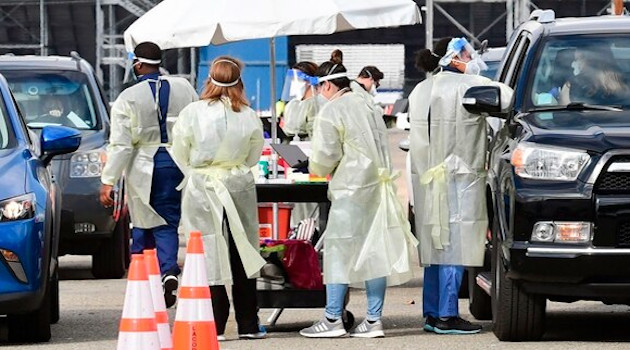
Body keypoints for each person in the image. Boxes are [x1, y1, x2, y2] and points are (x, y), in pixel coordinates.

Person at [299, 59, 418, 339]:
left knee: (339, 253)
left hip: (350, 190)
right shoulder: (368, 104)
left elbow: (325, 158)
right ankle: (373, 320)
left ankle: (332, 318)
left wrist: (313, 167)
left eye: (320, 87)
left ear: (327, 85)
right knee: (374, 252)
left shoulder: (332, 111)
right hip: (377, 188)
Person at [408, 37, 512, 334]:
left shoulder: (420, 90)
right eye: (468, 53)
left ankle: (431, 312)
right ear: (454, 58)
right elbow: (508, 99)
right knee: (455, 244)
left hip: (427, 180)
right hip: (460, 178)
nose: (473, 57)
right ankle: (447, 314)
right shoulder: (471, 85)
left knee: (434, 246)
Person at [171, 56, 267, 340]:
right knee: (245, 250)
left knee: (206, 252)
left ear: (208, 80)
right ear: (240, 82)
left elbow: (179, 150)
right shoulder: (248, 114)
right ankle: (249, 322)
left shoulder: (192, 112)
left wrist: (196, 170)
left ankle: (215, 323)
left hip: (202, 184)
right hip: (238, 182)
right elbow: (253, 155)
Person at [99, 41, 199, 308]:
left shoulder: (128, 98)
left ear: (137, 64)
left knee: (143, 221)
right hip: (177, 162)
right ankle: (167, 271)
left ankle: (142, 277)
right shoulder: (184, 88)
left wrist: (108, 179)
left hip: (144, 165)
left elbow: (120, 144)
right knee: (168, 221)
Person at [558, 44, 629, 105]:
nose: (576, 64)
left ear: (593, 61)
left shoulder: (571, 86)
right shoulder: (572, 84)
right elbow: (563, 115)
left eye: (579, 59)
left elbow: (564, 113)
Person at [282, 61, 320, 140]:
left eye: (297, 79)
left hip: (307, 147)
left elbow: (315, 133)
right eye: (292, 79)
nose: (293, 83)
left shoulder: (314, 105)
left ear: (310, 81)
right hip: (290, 146)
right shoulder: (292, 104)